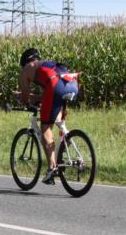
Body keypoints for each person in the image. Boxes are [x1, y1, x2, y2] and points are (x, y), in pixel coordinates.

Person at [18, 47, 80, 185]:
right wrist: (36, 98)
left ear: (25, 61)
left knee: (45, 127)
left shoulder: (26, 68)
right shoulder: (46, 64)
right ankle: (66, 140)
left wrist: (22, 99)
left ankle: (52, 168)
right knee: (56, 122)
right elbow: (46, 94)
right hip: (71, 83)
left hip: (56, 85)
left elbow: (25, 97)